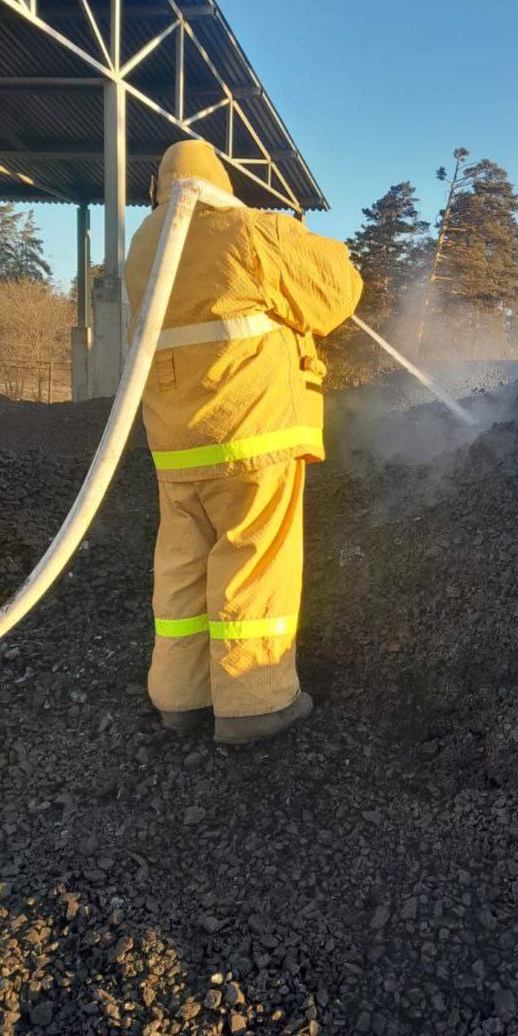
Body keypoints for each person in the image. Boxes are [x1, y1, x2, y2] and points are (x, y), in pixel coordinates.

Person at [125, 140, 362, 745]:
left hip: (176, 447)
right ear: (219, 182)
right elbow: (336, 288)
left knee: (181, 566)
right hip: (251, 434)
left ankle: (180, 699)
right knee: (254, 559)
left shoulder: (143, 249)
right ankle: (254, 705)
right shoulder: (248, 232)